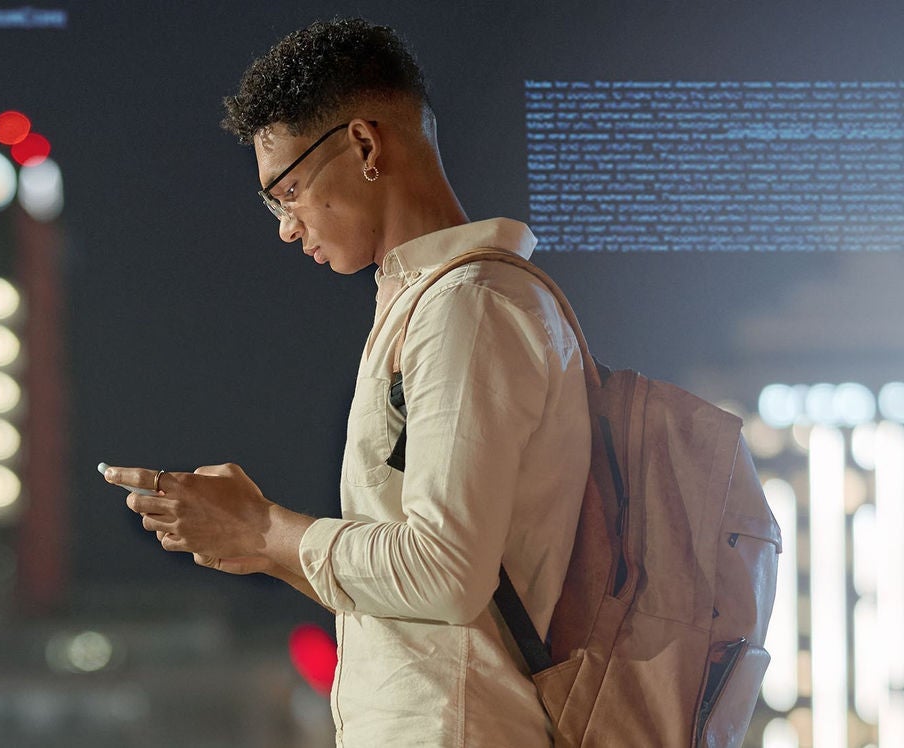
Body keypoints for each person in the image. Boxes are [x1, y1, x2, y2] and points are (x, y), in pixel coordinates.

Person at [101, 18, 592, 746]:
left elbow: (445, 573)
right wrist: (262, 547)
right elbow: (424, 598)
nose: (285, 226)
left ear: (364, 145)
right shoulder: (431, 304)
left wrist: (265, 526)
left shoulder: (467, 307)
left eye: (288, 190)